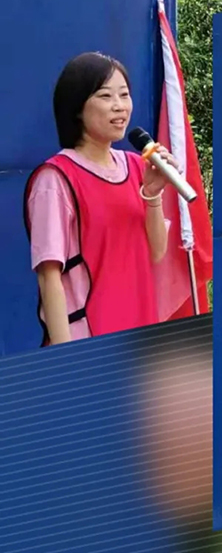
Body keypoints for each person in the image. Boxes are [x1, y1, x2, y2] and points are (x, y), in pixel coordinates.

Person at [23, 52, 178, 345]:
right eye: (106, 96)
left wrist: (152, 194)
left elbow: (156, 253)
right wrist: (67, 357)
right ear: (77, 107)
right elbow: (49, 276)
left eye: (124, 95)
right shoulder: (56, 179)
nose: (119, 106)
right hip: (87, 341)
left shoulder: (138, 166)